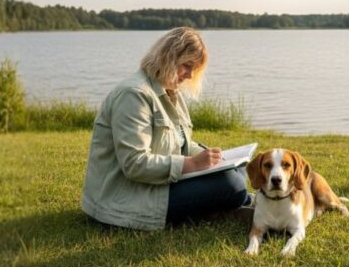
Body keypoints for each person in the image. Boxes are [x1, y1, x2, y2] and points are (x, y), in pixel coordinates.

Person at [81, 27, 248, 230]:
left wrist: (209, 156)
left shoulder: (168, 91)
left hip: (156, 185)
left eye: (194, 69)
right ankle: (242, 206)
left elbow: (178, 141)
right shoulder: (133, 95)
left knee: (239, 168)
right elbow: (135, 164)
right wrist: (191, 164)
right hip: (128, 199)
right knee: (233, 185)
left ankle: (240, 203)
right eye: (187, 66)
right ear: (168, 57)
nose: (190, 75)